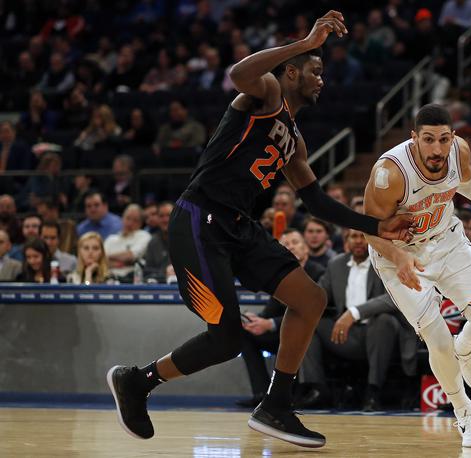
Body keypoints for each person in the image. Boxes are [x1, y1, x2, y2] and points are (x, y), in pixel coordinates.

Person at [106, 11, 412, 448]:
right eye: (314, 70)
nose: (322, 79)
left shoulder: (295, 139)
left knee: (310, 299)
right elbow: (238, 72)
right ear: (291, 71)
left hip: (237, 225)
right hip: (199, 220)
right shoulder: (267, 91)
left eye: (323, 71)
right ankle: (138, 381)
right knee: (227, 336)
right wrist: (305, 42)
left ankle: (277, 404)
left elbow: (316, 201)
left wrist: (377, 224)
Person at [363, 104, 471, 448]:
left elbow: (468, 184)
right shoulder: (390, 172)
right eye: (428, 139)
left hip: (447, 240)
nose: (437, 149)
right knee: (436, 339)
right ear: (414, 139)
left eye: (444, 139)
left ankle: (466, 349)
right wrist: (398, 256)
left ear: (452, 137)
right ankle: (466, 414)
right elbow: (368, 229)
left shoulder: (459, 152)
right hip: (398, 254)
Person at [299, 229, 416, 412]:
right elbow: (318, 296)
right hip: (345, 335)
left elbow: (393, 298)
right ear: (346, 241)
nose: (358, 241)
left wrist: (354, 313)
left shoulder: (385, 263)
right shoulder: (335, 265)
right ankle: (316, 389)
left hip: (381, 336)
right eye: (353, 237)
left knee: (383, 321)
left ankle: (373, 391)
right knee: (309, 323)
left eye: (363, 236)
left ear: (372, 240)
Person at [236, 229, 325, 408]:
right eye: (286, 244)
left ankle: (301, 392)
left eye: (295, 242)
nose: (291, 246)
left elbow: (314, 311)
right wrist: (256, 320)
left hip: (311, 330)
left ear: (306, 248)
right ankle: (262, 393)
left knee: (303, 334)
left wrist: (270, 323)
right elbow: (271, 310)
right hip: (282, 332)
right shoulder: (283, 275)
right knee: (244, 335)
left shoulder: (318, 272)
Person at [104, 204, 152, 281]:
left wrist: (108, 258)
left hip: (130, 280)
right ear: (122, 218)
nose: (130, 223)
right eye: (128, 218)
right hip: (108, 279)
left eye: (135, 220)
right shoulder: (111, 239)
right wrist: (121, 263)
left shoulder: (143, 236)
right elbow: (101, 261)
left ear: (141, 224)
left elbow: (131, 256)